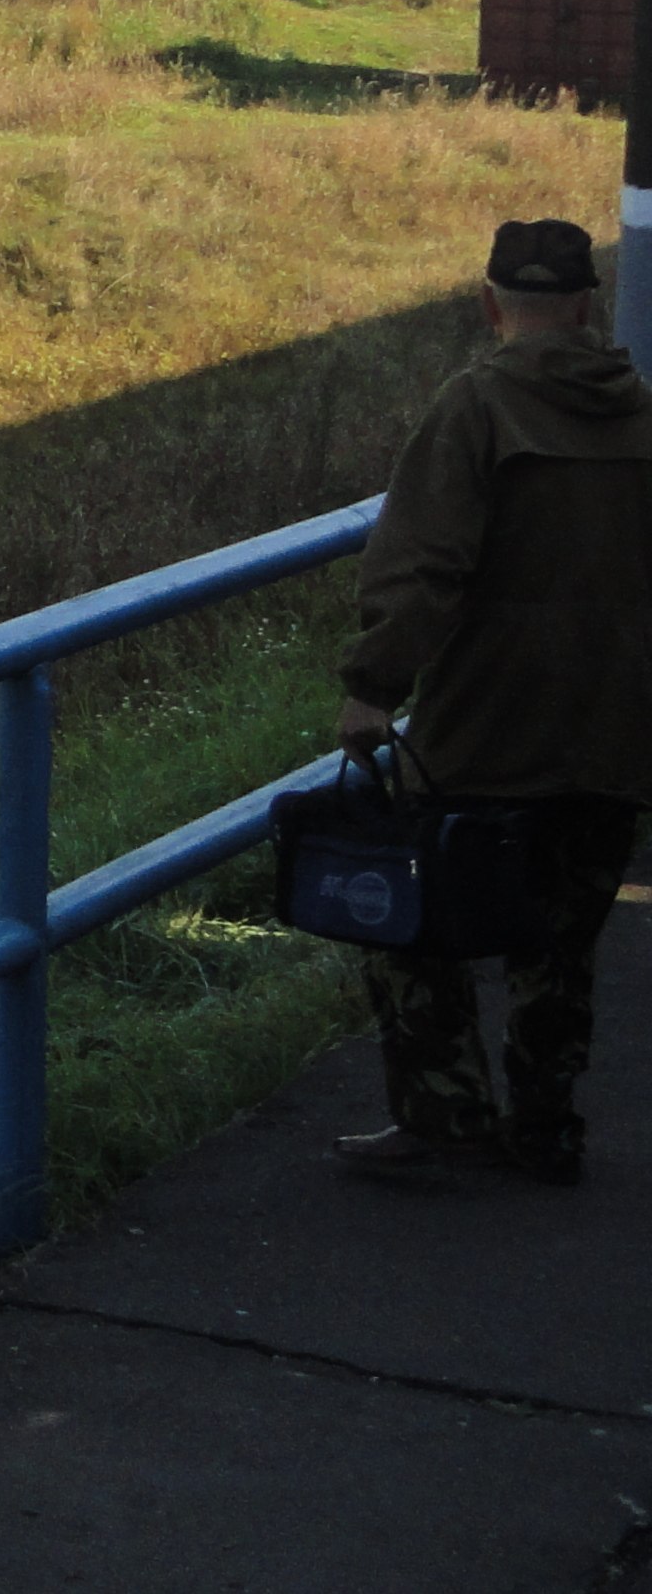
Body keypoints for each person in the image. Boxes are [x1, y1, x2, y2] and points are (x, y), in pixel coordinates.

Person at [331, 216, 652, 1185]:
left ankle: (444, 1115)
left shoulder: (475, 405)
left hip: (488, 725)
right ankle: (547, 1126)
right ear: (589, 307)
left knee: (417, 923)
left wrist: (372, 687)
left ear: (489, 304)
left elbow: (425, 563)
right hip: (616, 725)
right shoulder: (643, 410)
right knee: (563, 941)